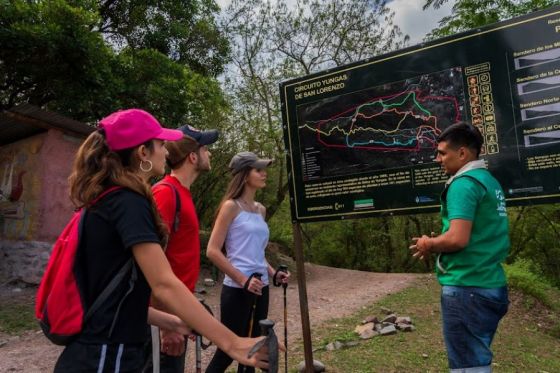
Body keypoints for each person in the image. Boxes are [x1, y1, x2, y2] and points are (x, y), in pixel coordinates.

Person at [54, 109, 270, 373]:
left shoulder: (108, 199)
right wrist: (233, 343)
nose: (167, 152)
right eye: (160, 144)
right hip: (107, 356)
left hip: (98, 351)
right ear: (142, 153)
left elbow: (119, 299)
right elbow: (163, 283)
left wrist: (173, 321)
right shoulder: (128, 202)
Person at [410, 122, 509, 373]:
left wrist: (428, 243)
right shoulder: (489, 181)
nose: (437, 159)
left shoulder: (462, 184)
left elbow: (457, 239)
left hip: (468, 288)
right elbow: (474, 234)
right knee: (477, 359)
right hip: (490, 285)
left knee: (469, 366)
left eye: (443, 153)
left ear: (463, 153)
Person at [206, 151, 290, 373]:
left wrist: (273, 274)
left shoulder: (260, 210)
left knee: (255, 348)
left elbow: (257, 254)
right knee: (226, 352)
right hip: (237, 289)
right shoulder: (230, 207)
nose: (264, 174)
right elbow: (212, 251)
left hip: (260, 287)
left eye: (264, 169)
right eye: (258, 170)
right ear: (244, 175)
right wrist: (243, 280)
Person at [145, 125, 219, 372]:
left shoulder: (183, 194)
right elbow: (151, 262)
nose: (210, 154)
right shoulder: (165, 193)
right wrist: (166, 324)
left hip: (178, 309)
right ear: (193, 156)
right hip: (164, 316)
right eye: (206, 148)